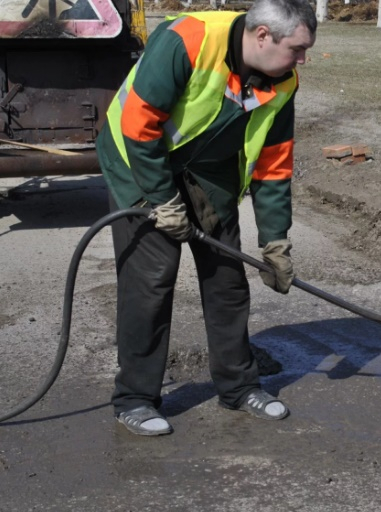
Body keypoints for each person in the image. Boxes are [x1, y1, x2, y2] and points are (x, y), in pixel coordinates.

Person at [95, 0, 317, 436]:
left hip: (208, 170)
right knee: (152, 278)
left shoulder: (284, 81)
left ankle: (238, 387)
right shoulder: (190, 38)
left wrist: (276, 242)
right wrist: (162, 200)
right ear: (262, 36)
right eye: (297, 49)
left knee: (227, 279)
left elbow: (273, 167)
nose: (303, 59)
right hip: (139, 160)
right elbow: (139, 126)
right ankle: (135, 399)